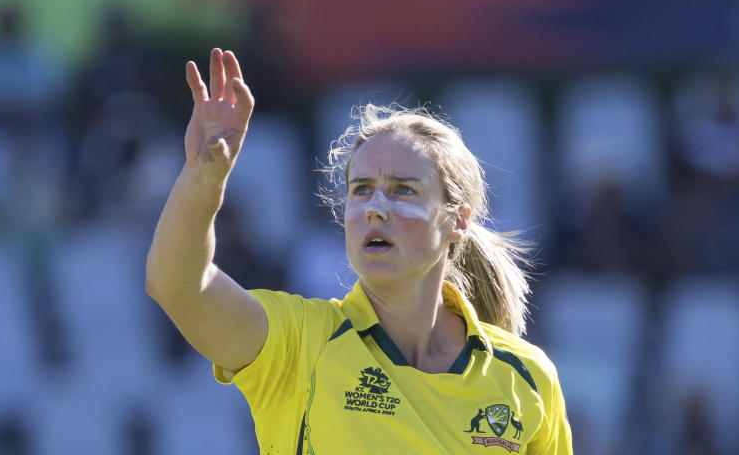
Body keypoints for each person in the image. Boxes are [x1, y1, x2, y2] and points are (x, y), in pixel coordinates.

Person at [146, 49, 572, 453]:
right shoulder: (302, 345)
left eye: (403, 190)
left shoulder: (526, 377)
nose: (375, 209)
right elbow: (178, 285)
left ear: (458, 220)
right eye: (361, 190)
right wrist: (203, 179)